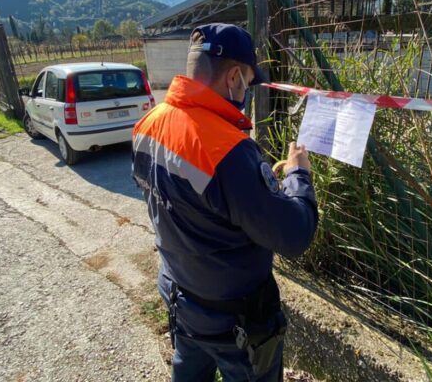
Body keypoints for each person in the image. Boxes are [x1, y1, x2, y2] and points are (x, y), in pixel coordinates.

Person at [132, 23, 319, 382]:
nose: (247, 90)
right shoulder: (227, 151)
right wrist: (298, 175)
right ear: (234, 77)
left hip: (181, 297)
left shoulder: (148, 123)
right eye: (248, 81)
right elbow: (295, 235)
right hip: (235, 322)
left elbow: (185, 203)